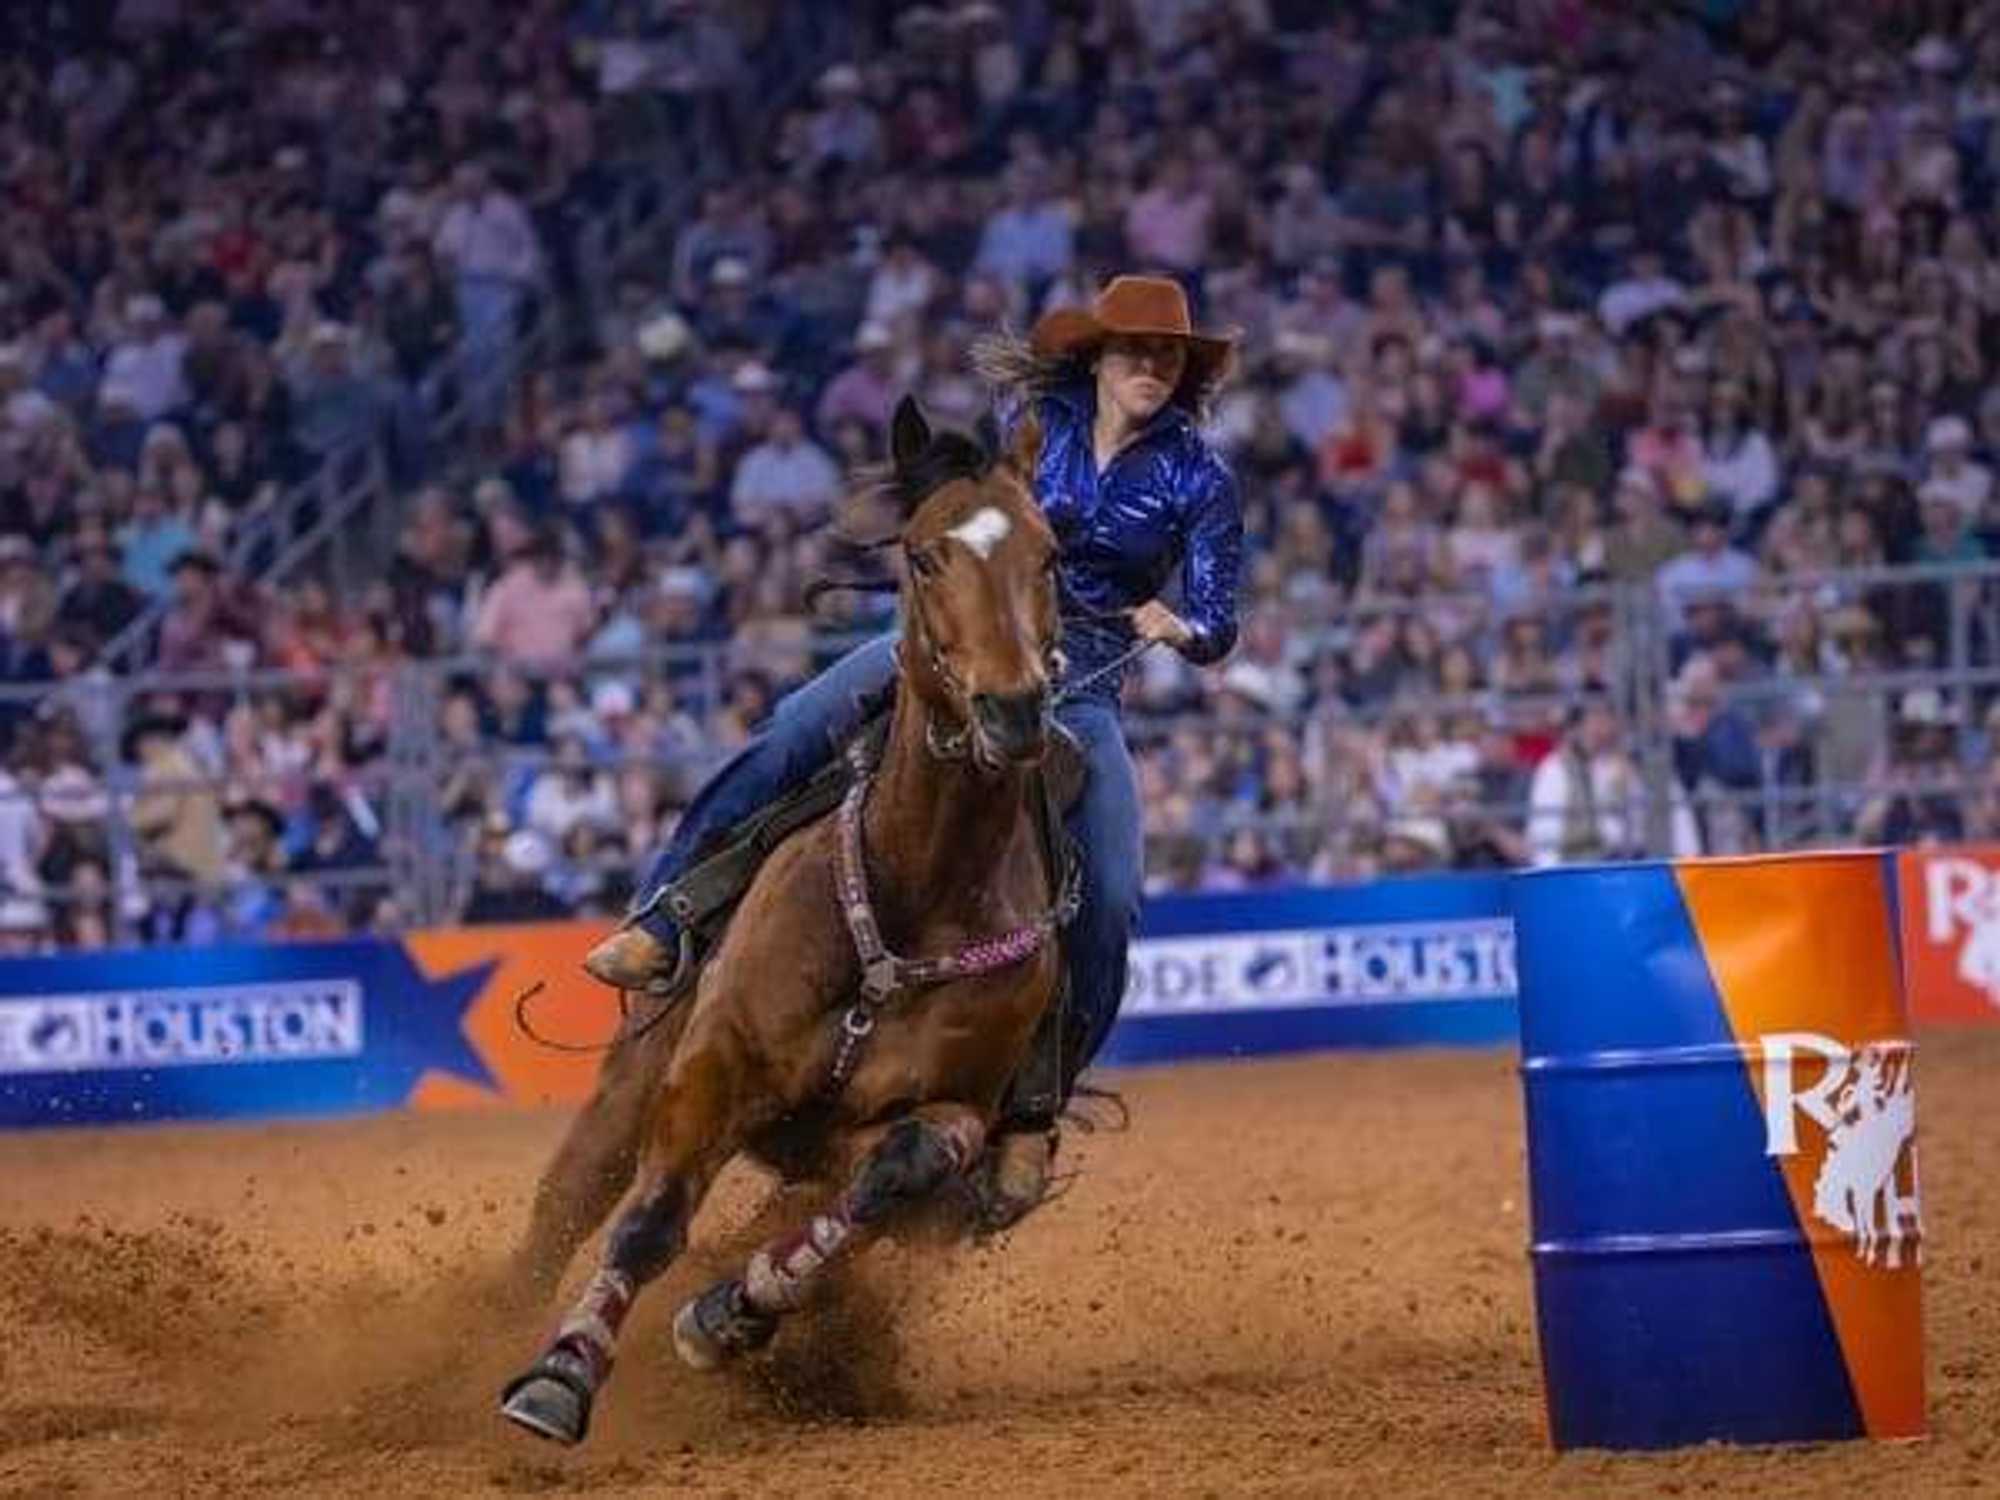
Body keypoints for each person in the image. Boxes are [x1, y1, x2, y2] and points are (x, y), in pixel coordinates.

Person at [586, 275, 1244, 1223]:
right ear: (1097, 358)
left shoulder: (1199, 476)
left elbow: (1219, 620)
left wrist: (1179, 624)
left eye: (1169, 354)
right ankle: (665, 916)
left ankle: (1030, 1109)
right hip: (956, 645)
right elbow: (960, 521)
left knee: (1109, 891)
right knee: (795, 728)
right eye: (1134, 348)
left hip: (1082, 679)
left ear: (1184, 373)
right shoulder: (1030, 425)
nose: (1151, 365)